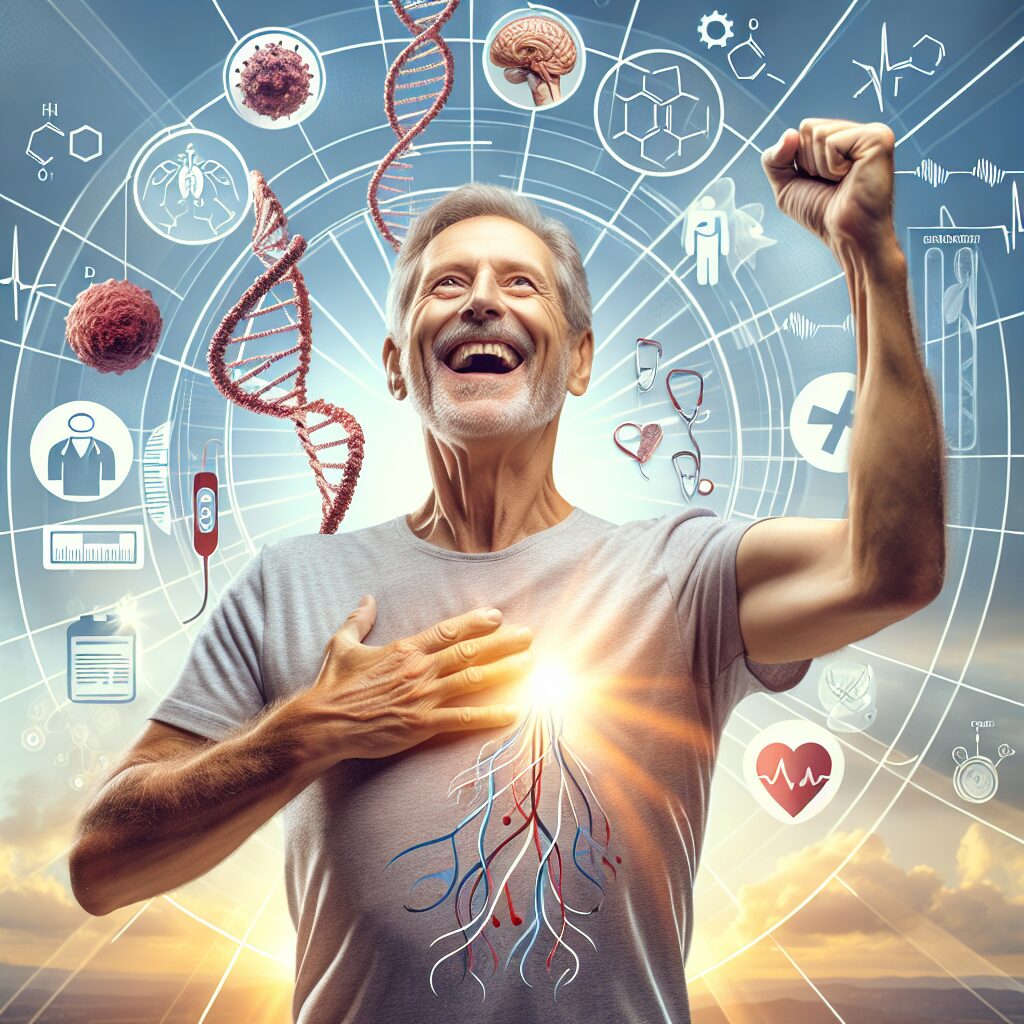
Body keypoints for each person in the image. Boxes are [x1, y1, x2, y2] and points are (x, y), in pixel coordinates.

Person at [69, 118, 945, 1023]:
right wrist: (311, 731)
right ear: (398, 367)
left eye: (519, 283)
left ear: (578, 359)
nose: (481, 301)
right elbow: (102, 866)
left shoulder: (683, 573)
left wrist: (871, 260)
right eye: (448, 283)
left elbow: (893, 567)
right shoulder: (289, 584)